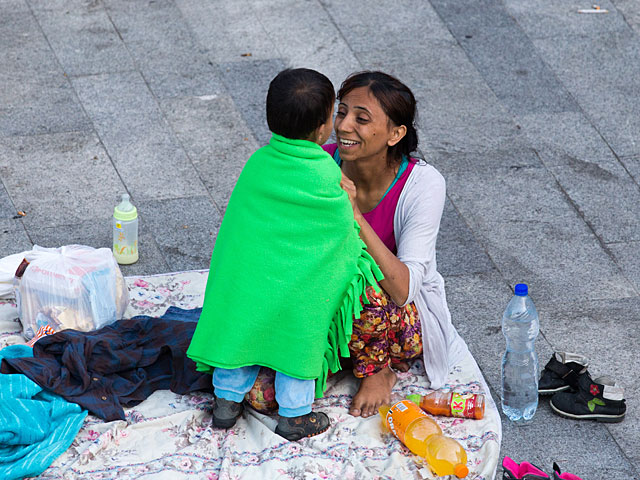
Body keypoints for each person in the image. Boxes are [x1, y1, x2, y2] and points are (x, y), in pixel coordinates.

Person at [246, 71, 467, 419]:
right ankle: (337, 357)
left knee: (358, 284)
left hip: (392, 317)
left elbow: (404, 289)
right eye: (341, 112)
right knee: (259, 395)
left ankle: (379, 369)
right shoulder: (320, 163)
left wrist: (354, 216)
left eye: (362, 119)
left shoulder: (423, 184)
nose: (344, 126)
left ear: (396, 134)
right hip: (319, 307)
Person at [187, 68, 383, 440]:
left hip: (252, 281)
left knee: (241, 320)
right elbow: (343, 238)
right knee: (303, 325)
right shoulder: (327, 173)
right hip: (299, 289)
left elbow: (240, 232)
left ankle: (226, 401)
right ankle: (295, 414)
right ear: (323, 128)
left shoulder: (258, 164)